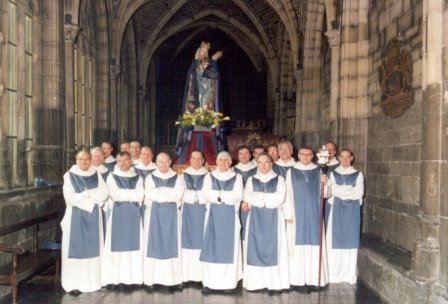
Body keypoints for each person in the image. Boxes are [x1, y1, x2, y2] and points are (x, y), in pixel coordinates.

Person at [61, 150, 108, 293]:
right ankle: (73, 284)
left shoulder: (96, 174)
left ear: (91, 160)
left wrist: (85, 195)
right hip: (75, 216)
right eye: (81, 159)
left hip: (94, 216)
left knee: (93, 248)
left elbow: (104, 193)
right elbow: (69, 197)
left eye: (87, 159)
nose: (84, 162)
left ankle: (93, 282)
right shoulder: (69, 176)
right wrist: (89, 201)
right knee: (75, 250)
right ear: (76, 160)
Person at [284, 146, 329, 291]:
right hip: (297, 216)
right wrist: (288, 213)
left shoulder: (319, 170)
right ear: (298, 155)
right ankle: (297, 281)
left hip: (314, 213)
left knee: (314, 246)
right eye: (302, 154)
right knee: (296, 246)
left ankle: (314, 279)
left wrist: (325, 183)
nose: (305, 157)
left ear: (313, 156)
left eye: (308, 154)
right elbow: (288, 193)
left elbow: (327, 194)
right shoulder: (291, 171)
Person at [242, 153, 289, 293]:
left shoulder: (279, 179)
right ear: (256, 163)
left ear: (271, 163)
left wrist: (260, 199)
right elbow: (247, 195)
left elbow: (280, 198)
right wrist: (266, 199)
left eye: (266, 162)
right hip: (255, 219)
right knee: (255, 246)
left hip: (274, 218)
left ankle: (273, 283)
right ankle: (255, 283)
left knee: (274, 248)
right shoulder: (251, 179)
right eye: (260, 162)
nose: (263, 165)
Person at [200, 151, 243, 293]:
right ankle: (209, 283)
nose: (223, 163)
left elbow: (237, 196)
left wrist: (217, 195)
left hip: (230, 218)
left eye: (226, 160)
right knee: (211, 248)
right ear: (216, 162)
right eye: (220, 160)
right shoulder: (209, 176)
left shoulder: (237, 177)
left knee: (229, 249)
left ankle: (228, 284)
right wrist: (224, 196)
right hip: (212, 217)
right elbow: (206, 194)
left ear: (231, 162)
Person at [175, 41, 224, 163]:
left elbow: (215, 77)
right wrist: (200, 60)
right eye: (202, 51)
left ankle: (206, 117)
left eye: (206, 52)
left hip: (207, 92)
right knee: (197, 103)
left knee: (207, 102)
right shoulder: (195, 65)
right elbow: (192, 74)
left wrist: (213, 60)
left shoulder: (210, 64)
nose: (204, 53)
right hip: (197, 93)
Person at [143, 152, 185, 290]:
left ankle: (174, 279)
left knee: (173, 243)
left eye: (166, 162)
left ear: (170, 162)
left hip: (172, 215)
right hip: (153, 215)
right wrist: (167, 194)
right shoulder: (150, 177)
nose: (163, 164)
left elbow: (178, 194)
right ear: (156, 162)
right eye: (161, 162)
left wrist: (161, 192)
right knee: (154, 243)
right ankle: (152, 279)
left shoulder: (177, 177)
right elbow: (150, 193)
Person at [102, 152, 144, 287]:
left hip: (134, 217)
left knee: (134, 246)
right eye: (120, 160)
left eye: (126, 160)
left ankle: (134, 279)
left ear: (130, 161)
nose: (123, 163)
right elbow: (114, 195)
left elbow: (140, 195)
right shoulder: (112, 177)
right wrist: (131, 195)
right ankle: (116, 279)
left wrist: (125, 194)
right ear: (117, 162)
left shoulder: (137, 177)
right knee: (117, 247)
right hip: (117, 216)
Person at [326, 149, 364, 284]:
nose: (345, 159)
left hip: (352, 213)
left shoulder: (358, 174)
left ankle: (349, 274)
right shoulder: (333, 174)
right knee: (334, 241)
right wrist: (348, 189)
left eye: (348, 157)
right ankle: (334, 274)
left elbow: (358, 193)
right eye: (342, 157)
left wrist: (340, 191)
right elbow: (332, 191)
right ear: (339, 158)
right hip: (336, 211)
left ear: (352, 158)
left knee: (350, 242)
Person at [180, 150, 209, 284]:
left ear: (203, 161)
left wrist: (196, 196)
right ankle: (186, 276)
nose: (196, 161)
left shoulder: (209, 176)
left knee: (202, 241)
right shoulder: (183, 175)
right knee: (187, 242)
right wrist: (195, 196)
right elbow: (180, 193)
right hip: (188, 212)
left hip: (203, 211)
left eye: (199, 159)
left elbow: (209, 193)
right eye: (194, 158)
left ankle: (201, 276)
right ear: (190, 160)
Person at [232, 145, 257, 244]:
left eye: (246, 153)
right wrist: (241, 202)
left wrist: (248, 202)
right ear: (238, 156)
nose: (244, 156)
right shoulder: (232, 170)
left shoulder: (257, 169)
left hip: (252, 205)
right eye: (241, 154)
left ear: (250, 155)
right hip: (238, 205)